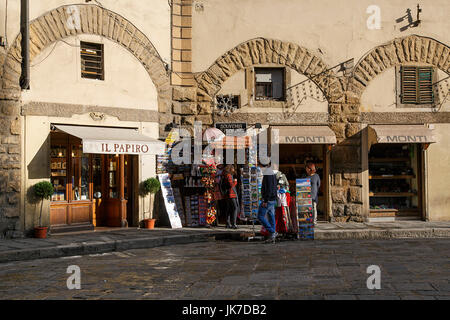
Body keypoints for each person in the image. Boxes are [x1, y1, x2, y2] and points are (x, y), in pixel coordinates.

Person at [258, 164, 278, 241]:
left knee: (260, 216)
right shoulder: (271, 173)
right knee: (271, 216)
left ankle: (273, 231)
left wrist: (265, 200)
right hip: (272, 199)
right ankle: (272, 235)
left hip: (268, 199)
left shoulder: (268, 173)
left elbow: (269, 188)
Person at [222, 164, 239, 229]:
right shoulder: (229, 175)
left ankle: (227, 223)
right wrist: (235, 182)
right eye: (233, 168)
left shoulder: (225, 175)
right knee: (235, 208)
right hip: (231, 194)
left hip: (228, 195)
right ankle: (233, 224)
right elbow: (231, 185)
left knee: (228, 209)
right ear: (230, 169)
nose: (234, 170)